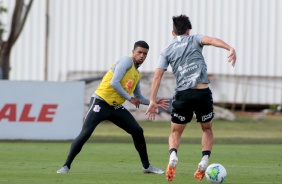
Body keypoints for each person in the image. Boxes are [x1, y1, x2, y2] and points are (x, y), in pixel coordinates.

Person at [145, 15, 236, 182]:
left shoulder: (167, 50)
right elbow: (213, 40)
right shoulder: (195, 39)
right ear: (188, 30)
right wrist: (229, 48)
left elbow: (157, 76)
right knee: (207, 129)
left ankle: (173, 155)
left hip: (183, 95)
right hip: (202, 93)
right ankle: (204, 160)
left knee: (175, 132)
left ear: (173, 32)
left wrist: (152, 100)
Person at [57, 40, 169, 174]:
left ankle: (146, 166)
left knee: (137, 131)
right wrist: (129, 98)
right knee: (85, 133)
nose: (142, 56)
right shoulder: (126, 61)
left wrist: (153, 101)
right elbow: (114, 82)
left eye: (145, 54)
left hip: (115, 107)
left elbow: (138, 97)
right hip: (100, 102)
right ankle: (66, 166)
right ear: (133, 52)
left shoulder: (137, 74)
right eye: (139, 52)